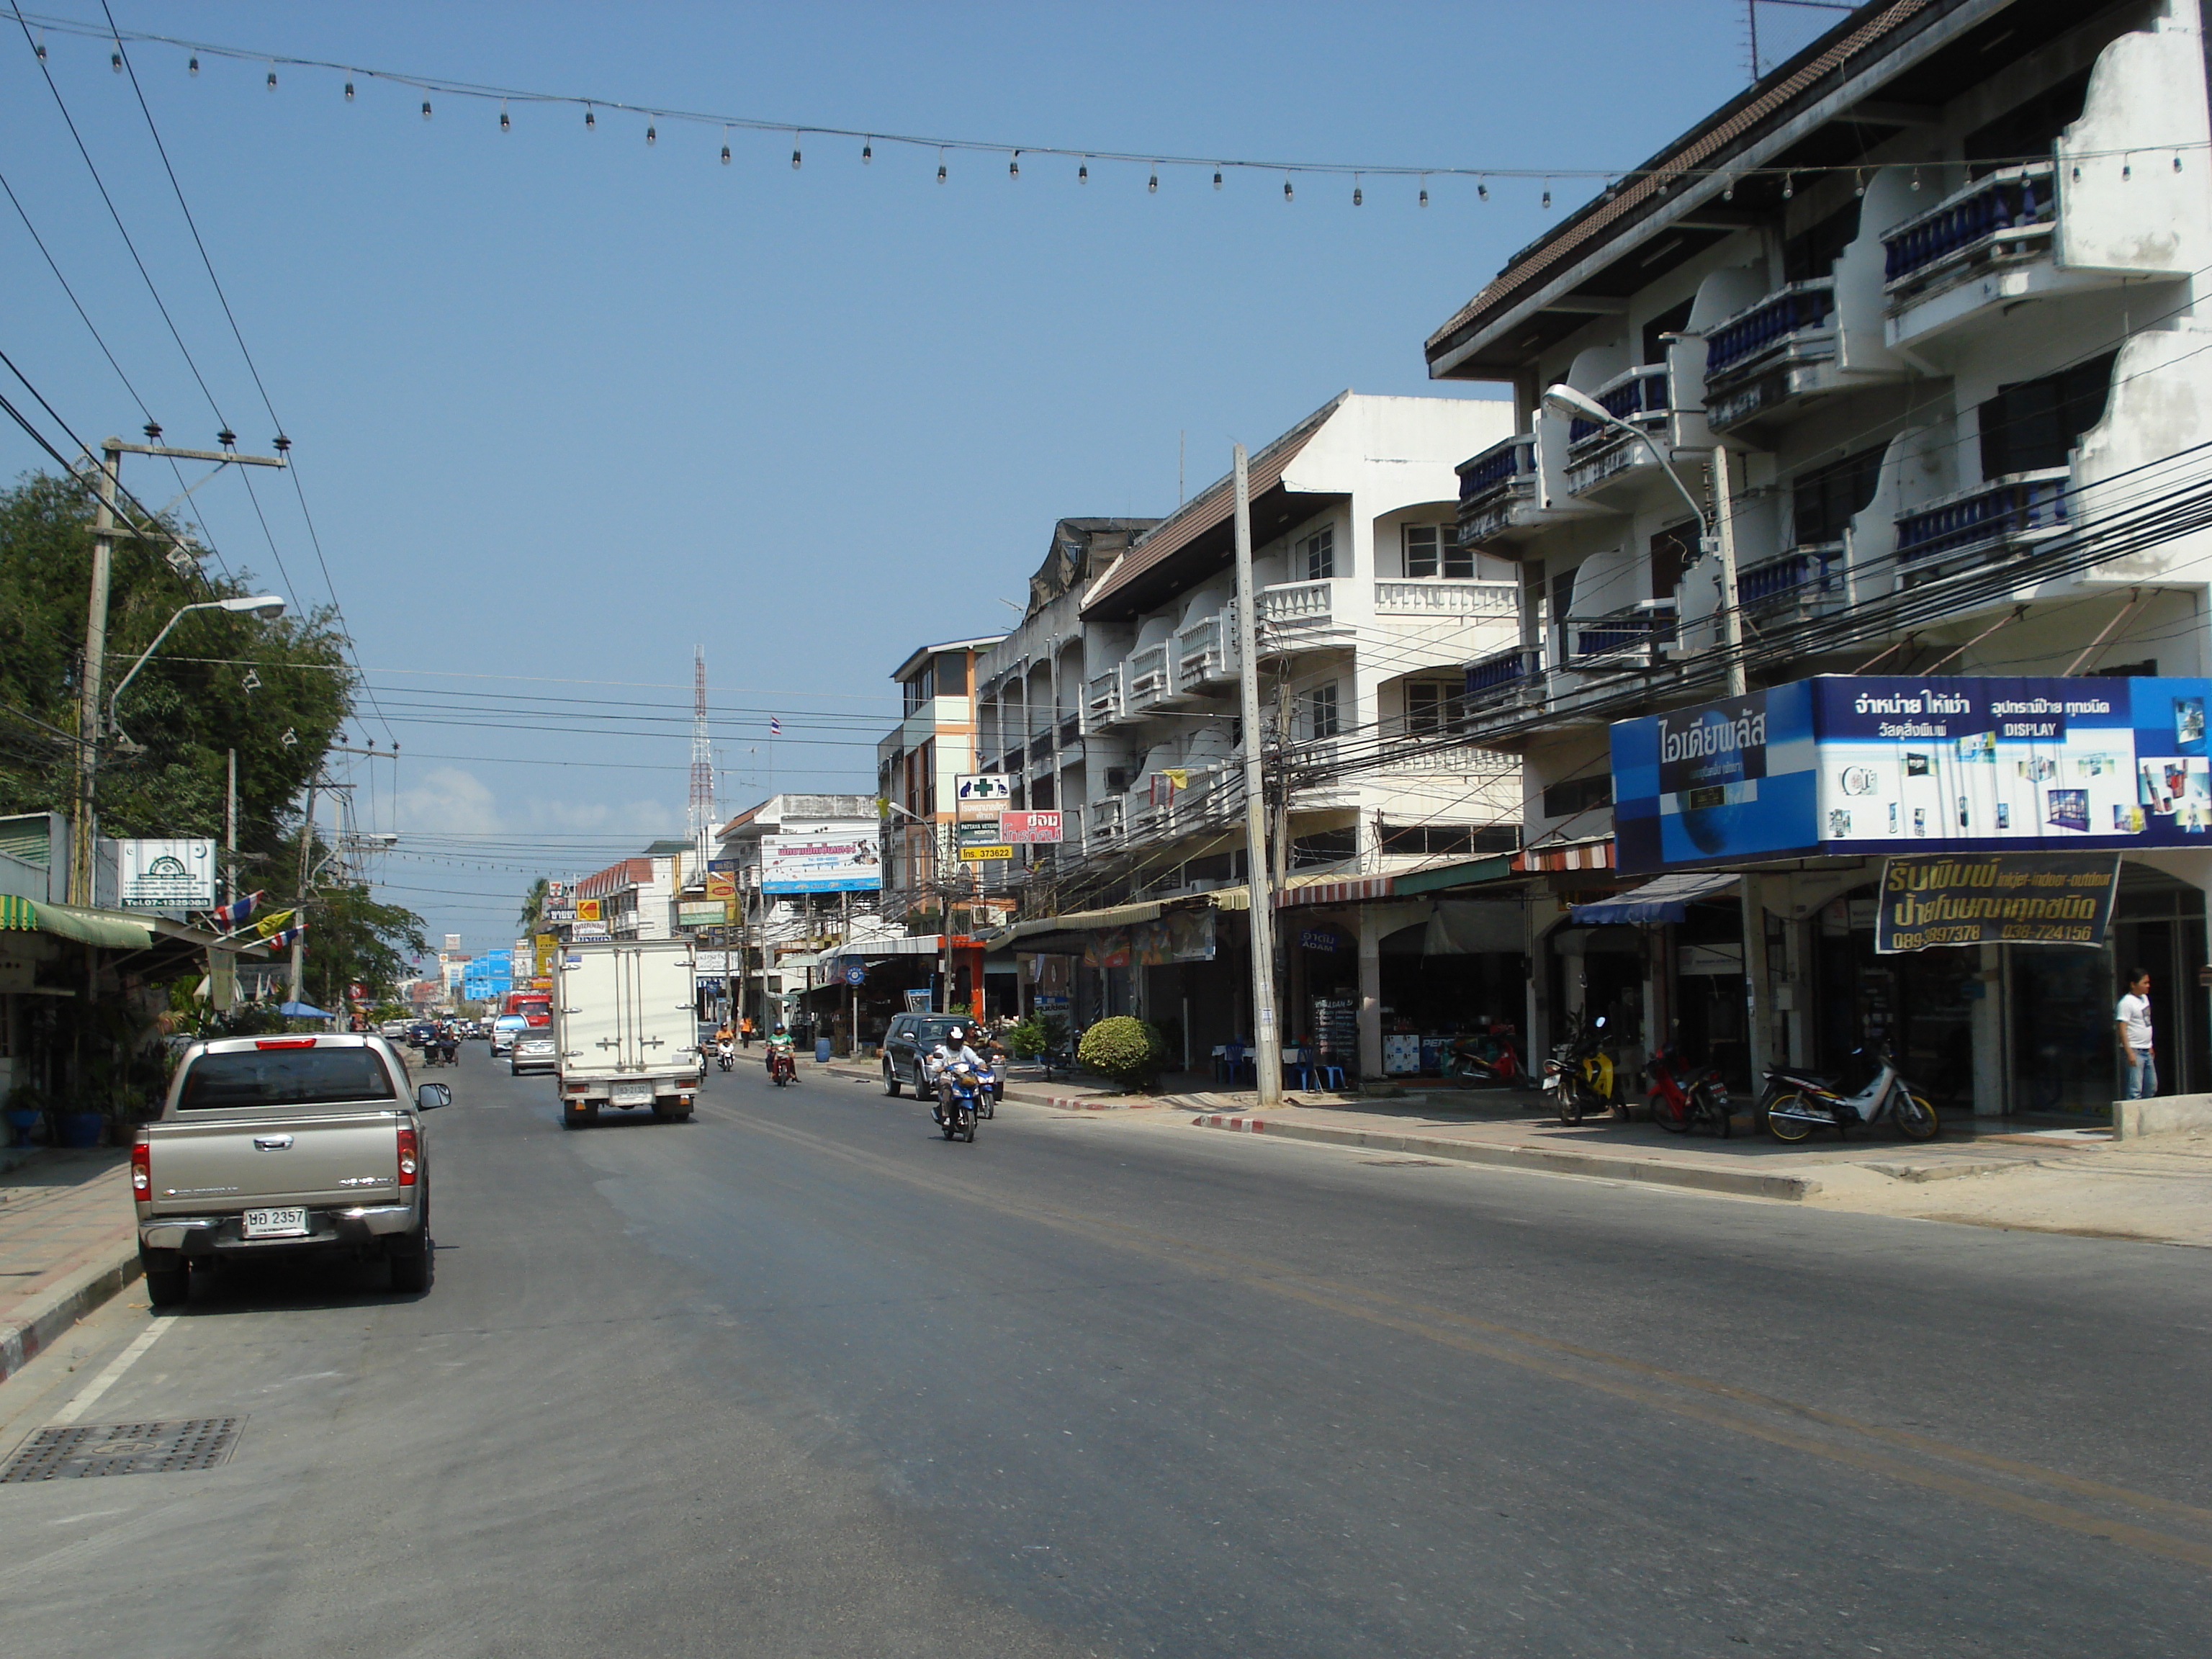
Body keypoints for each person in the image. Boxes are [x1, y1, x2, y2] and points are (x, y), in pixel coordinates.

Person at [2116, 969, 2157, 1100]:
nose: (2148, 985)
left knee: (2151, 1086)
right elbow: (2122, 1028)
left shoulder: (2144, 999)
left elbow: (2146, 1023)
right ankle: (2133, 1119)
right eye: (2144, 983)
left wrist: (2150, 1045)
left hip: (2146, 1048)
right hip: (2135, 1049)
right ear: (2133, 984)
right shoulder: (2126, 1003)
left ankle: (2144, 1115)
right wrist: (2129, 1052)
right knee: (2135, 1089)